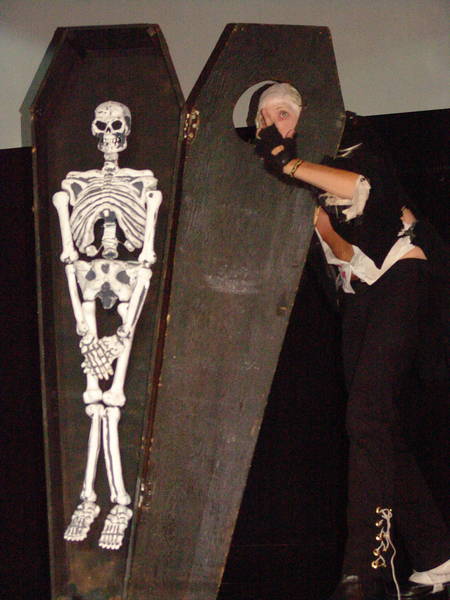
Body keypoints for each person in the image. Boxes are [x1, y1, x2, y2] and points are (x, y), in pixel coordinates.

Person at [254, 83, 449, 600]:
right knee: (375, 426)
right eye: (266, 117)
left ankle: (366, 568)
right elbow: (339, 252)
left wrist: (291, 164)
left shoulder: (345, 140)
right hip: (359, 290)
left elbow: (366, 188)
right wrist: (300, 200)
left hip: (402, 271)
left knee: (367, 417)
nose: (276, 125)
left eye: (284, 113)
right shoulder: (286, 180)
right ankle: (437, 557)